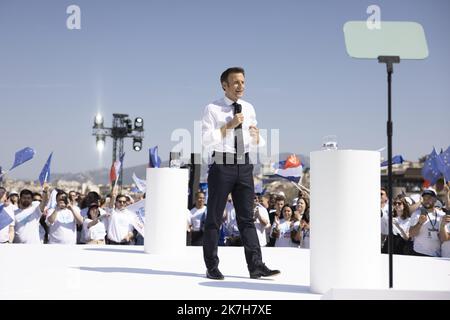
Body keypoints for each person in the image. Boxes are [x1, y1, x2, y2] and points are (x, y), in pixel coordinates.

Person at [201, 66, 280, 280]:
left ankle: (256, 266)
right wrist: (230, 124)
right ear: (225, 85)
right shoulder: (212, 109)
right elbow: (206, 140)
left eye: (243, 82)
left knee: (247, 219)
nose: (240, 86)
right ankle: (212, 267)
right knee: (214, 218)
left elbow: (257, 141)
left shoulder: (249, 107)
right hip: (221, 163)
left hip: (244, 164)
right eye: (236, 82)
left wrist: (256, 137)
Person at [409, 188, 445, 256]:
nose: (426, 200)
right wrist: (419, 223)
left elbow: (443, 238)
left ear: (435, 200)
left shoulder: (441, 215)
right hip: (418, 253)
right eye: (424, 198)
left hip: (436, 254)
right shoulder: (416, 214)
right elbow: (411, 234)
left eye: (429, 198)